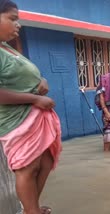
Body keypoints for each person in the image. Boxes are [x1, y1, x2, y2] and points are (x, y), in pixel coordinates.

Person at [0, 1, 62, 214]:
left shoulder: (6, 47)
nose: (18, 25)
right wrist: (34, 99)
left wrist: (41, 80)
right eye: (13, 19)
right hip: (16, 119)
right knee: (27, 168)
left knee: (45, 161)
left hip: (33, 116)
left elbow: (22, 76)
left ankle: (30, 208)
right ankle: (31, 211)